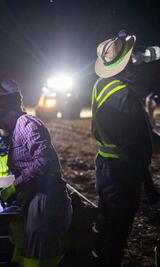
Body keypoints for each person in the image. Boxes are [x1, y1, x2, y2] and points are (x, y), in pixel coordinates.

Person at [92, 30, 159, 266]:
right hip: (123, 173)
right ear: (126, 65)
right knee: (118, 233)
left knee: (104, 223)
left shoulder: (100, 85)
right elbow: (139, 148)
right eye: (130, 60)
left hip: (103, 166)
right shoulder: (127, 98)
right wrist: (148, 185)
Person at [0, 82, 72, 267]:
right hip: (37, 196)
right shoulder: (17, 128)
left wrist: (15, 186)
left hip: (47, 198)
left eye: (2, 120)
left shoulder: (26, 123)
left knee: (40, 255)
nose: (1, 127)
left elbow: (43, 161)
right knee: (32, 250)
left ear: (10, 113)